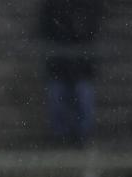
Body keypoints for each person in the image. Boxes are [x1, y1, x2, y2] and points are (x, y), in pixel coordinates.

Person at [39, 0, 101, 144]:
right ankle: (62, 136)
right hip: (60, 65)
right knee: (58, 99)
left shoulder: (86, 8)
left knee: (83, 98)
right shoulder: (53, 7)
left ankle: (81, 136)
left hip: (79, 66)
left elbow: (90, 29)